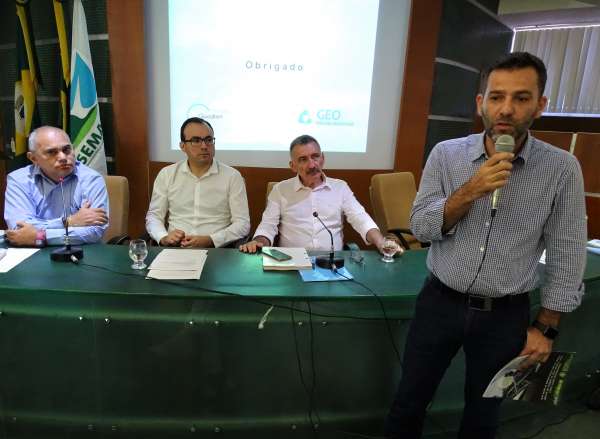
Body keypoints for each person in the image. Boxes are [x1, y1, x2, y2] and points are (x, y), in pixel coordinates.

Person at [385, 52, 586, 438]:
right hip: (439, 303)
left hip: (505, 316)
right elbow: (422, 228)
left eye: (521, 98)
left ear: (540, 105)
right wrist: (471, 190)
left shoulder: (562, 168)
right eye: (496, 97)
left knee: (483, 416)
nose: (506, 109)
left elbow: (568, 251)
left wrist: (546, 329)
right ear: (481, 103)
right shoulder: (447, 155)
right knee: (409, 401)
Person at [239, 134, 389, 253]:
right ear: (293, 166)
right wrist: (259, 241)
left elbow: (360, 218)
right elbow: (268, 225)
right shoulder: (280, 190)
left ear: (322, 158)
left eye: (315, 156)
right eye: (303, 159)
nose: (312, 165)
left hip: (331, 263)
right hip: (291, 263)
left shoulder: (340, 188)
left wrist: (381, 242)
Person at [146, 117, 250, 248]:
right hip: (175, 248)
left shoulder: (232, 176)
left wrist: (211, 240)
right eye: (196, 140)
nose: (204, 146)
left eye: (208, 140)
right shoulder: (167, 174)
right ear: (182, 146)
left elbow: (242, 224)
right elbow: (154, 216)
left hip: (217, 250)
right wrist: (163, 237)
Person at [4, 126, 109, 246]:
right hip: (33, 254)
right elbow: (19, 229)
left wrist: (41, 237)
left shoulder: (91, 179)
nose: (63, 157)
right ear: (33, 158)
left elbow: (94, 231)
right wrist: (68, 222)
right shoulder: (18, 180)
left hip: (83, 253)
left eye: (66, 150)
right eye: (51, 152)